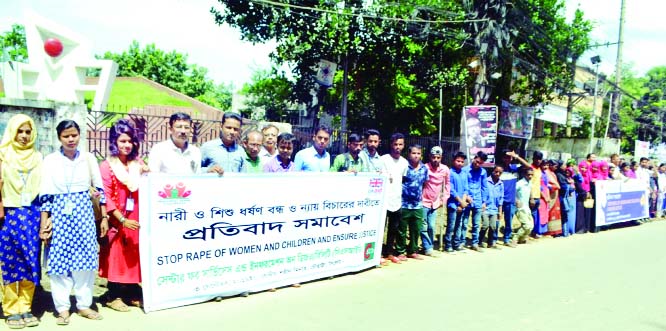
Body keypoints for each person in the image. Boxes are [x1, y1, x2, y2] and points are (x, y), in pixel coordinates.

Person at [39, 120, 109, 325]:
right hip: (59, 214)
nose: (71, 139)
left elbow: (99, 189)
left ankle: (84, 305)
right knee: (59, 263)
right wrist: (44, 225)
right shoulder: (51, 160)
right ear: (59, 138)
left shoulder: (88, 159)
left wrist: (103, 217)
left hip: (84, 214)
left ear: (80, 135)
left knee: (85, 261)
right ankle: (62, 308)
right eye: (66, 136)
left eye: (74, 135)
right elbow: (45, 193)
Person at [99, 119, 149, 312]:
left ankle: (130, 294)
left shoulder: (138, 164)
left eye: (130, 141)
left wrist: (147, 172)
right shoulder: (107, 166)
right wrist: (121, 219)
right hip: (117, 219)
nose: (127, 145)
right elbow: (106, 196)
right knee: (116, 256)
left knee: (133, 256)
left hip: (136, 217)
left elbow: (148, 186)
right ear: (114, 142)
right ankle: (113, 295)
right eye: (122, 141)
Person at [0, 114, 43, 328]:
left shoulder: (38, 157)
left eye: (28, 131)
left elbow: (45, 190)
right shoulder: (3, 155)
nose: (24, 136)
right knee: (10, 261)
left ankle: (25, 307)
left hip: (32, 214)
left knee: (30, 261)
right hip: (9, 215)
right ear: (12, 131)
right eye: (20, 131)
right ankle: (10, 308)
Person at [395, 144, 428, 260]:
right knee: (402, 230)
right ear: (409, 154)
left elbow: (424, 184)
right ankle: (400, 251)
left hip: (418, 205)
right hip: (404, 203)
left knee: (416, 229)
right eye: (413, 153)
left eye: (418, 153)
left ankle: (412, 250)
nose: (416, 156)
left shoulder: (424, 168)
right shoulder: (404, 166)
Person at [380, 133, 408, 263]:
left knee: (393, 229)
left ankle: (390, 253)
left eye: (400, 144)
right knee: (381, 227)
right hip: (384, 200)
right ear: (391, 144)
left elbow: (402, 179)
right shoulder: (383, 159)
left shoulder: (404, 162)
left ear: (403, 146)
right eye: (395, 144)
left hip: (397, 200)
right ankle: (379, 253)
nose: (398, 147)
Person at [420, 146, 450, 256]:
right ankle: (428, 248)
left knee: (431, 226)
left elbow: (447, 185)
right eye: (433, 157)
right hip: (423, 201)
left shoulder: (445, 169)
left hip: (436, 202)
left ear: (441, 157)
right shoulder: (424, 168)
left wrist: (444, 199)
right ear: (430, 157)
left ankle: (429, 245)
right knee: (423, 226)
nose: (435, 159)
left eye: (438, 157)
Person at [461, 151, 489, 252]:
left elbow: (484, 187)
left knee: (476, 224)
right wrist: (467, 196)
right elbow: (463, 185)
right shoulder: (465, 170)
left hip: (478, 200)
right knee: (464, 222)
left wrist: (484, 201)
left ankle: (475, 243)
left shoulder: (483, 172)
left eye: (480, 163)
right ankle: (461, 242)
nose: (477, 164)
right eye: (477, 161)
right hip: (467, 200)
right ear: (474, 158)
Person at [444, 152, 471, 253]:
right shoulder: (450, 173)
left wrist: (463, 202)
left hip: (462, 204)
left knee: (458, 225)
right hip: (453, 204)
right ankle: (448, 245)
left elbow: (466, 189)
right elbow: (451, 190)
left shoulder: (464, 173)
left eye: (462, 162)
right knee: (451, 225)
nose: (460, 163)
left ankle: (456, 244)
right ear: (453, 161)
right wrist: (460, 202)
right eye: (458, 161)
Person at [499, 150, 525, 247]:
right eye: (506, 157)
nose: (507, 159)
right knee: (497, 221)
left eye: (509, 157)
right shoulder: (499, 169)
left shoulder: (515, 168)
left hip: (510, 200)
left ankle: (506, 239)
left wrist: (516, 156)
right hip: (499, 201)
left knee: (508, 222)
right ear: (502, 158)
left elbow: (528, 166)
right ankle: (492, 240)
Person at [479, 165, 503, 249]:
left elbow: (501, 199)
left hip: (494, 209)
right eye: (496, 171)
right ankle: (479, 241)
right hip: (485, 208)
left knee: (493, 226)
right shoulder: (486, 181)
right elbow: (482, 192)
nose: (497, 174)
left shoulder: (501, 184)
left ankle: (490, 243)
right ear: (492, 171)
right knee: (485, 225)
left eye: (500, 173)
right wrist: (483, 203)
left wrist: (500, 211)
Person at [514, 166, 535, 244]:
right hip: (520, 208)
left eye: (531, 175)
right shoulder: (520, 183)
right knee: (526, 225)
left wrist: (532, 198)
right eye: (528, 174)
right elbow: (513, 191)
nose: (530, 176)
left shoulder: (529, 182)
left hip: (527, 207)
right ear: (524, 174)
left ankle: (522, 239)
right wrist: (516, 200)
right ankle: (515, 238)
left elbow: (530, 190)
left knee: (531, 226)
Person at [557, 162, 576, 237]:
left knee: (565, 215)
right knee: (564, 215)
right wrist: (571, 187)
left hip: (565, 197)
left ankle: (566, 232)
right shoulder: (559, 175)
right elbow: (564, 187)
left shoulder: (563, 175)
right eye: (563, 165)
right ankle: (564, 232)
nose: (565, 166)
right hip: (562, 197)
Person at [544, 160, 562, 237]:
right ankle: (550, 231)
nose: (556, 167)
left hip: (555, 195)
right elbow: (546, 184)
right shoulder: (546, 172)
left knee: (556, 212)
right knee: (551, 212)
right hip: (550, 195)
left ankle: (556, 231)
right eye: (555, 166)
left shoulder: (552, 173)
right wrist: (553, 187)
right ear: (550, 165)